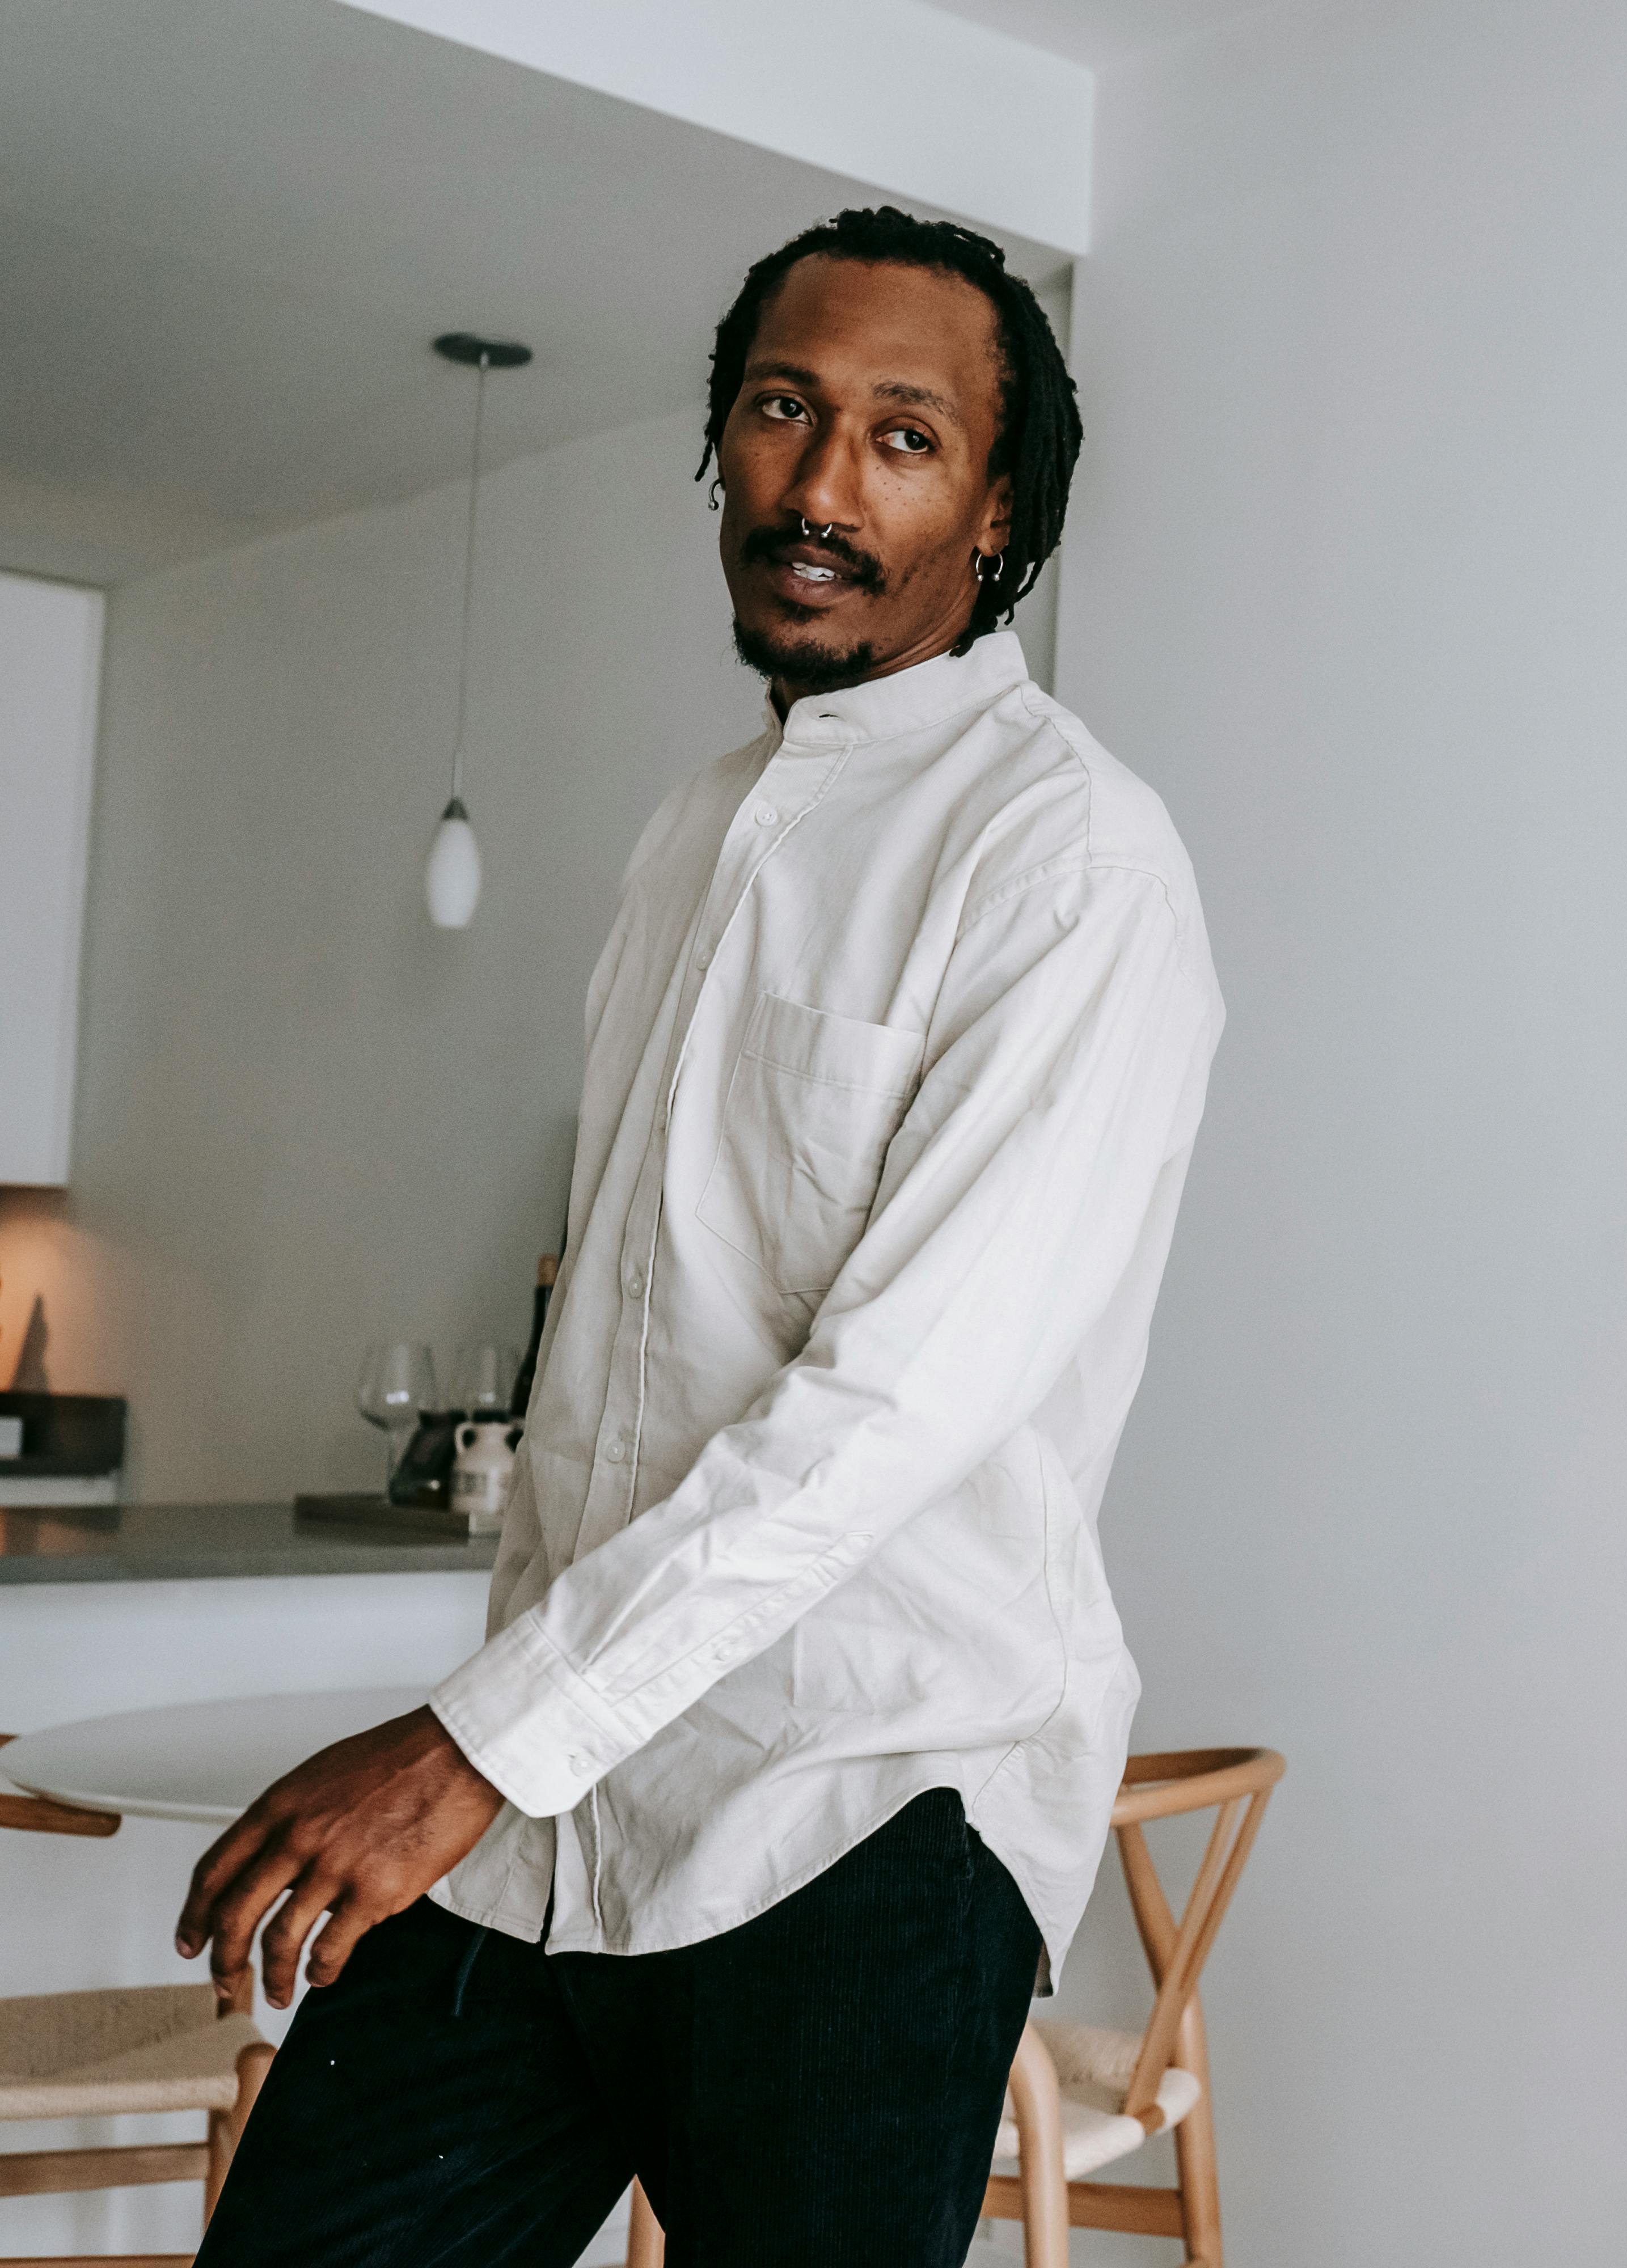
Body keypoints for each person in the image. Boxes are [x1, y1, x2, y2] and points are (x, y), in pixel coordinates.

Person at [176, 207, 1225, 2265]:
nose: (821, 484)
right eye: (781, 410)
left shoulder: (1070, 858)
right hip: (550, 1816)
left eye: (902, 438)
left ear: (1002, 509)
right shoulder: (693, 831)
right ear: (723, 451)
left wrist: (473, 1741)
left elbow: (891, 1408)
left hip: (857, 1815)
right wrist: (513, 1740)